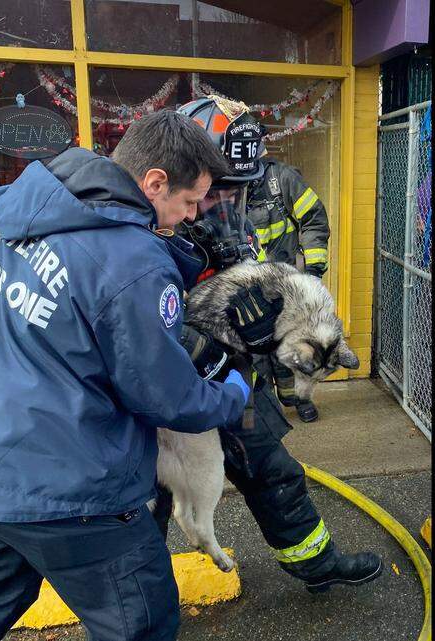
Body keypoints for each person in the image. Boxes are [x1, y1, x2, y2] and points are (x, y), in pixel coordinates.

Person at [0, 110, 269, 641]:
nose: (191, 219)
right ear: (154, 182)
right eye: (189, 203)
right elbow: (170, 399)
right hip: (72, 494)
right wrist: (235, 389)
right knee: (140, 622)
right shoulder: (135, 261)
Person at [154, 96, 383, 595]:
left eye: (236, 194)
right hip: (165, 396)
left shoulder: (235, 220)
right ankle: (144, 606)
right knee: (144, 502)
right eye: (213, 196)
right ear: (176, 180)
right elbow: (146, 330)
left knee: (273, 469)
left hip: (233, 381)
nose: (222, 208)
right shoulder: (144, 235)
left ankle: (316, 564)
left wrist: (265, 331)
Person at [244, 139, 331, 423]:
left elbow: (314, 220)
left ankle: (299, 399)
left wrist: (314, 272)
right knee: (254, 356)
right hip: (248, 289)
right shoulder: (226, 184)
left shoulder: (282, 179)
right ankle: (262, 410)